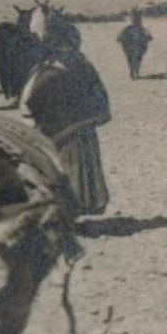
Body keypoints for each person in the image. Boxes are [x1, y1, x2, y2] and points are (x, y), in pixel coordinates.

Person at [19, 24, 112, 216]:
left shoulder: (45, 70)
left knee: (67, 170)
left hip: (61, 134)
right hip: (80, 131)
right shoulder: (82, 66)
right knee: (79, 169)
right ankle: (78, 207)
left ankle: (70, 210)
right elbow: (99, 97)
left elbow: (28, 101)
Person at [117, 9, 152, 80]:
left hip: (132, 44)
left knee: (132, 59)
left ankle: (134, 72)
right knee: (136, 58)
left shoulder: (133, 27)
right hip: (134, 44)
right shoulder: (137, 27)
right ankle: (135, 72)